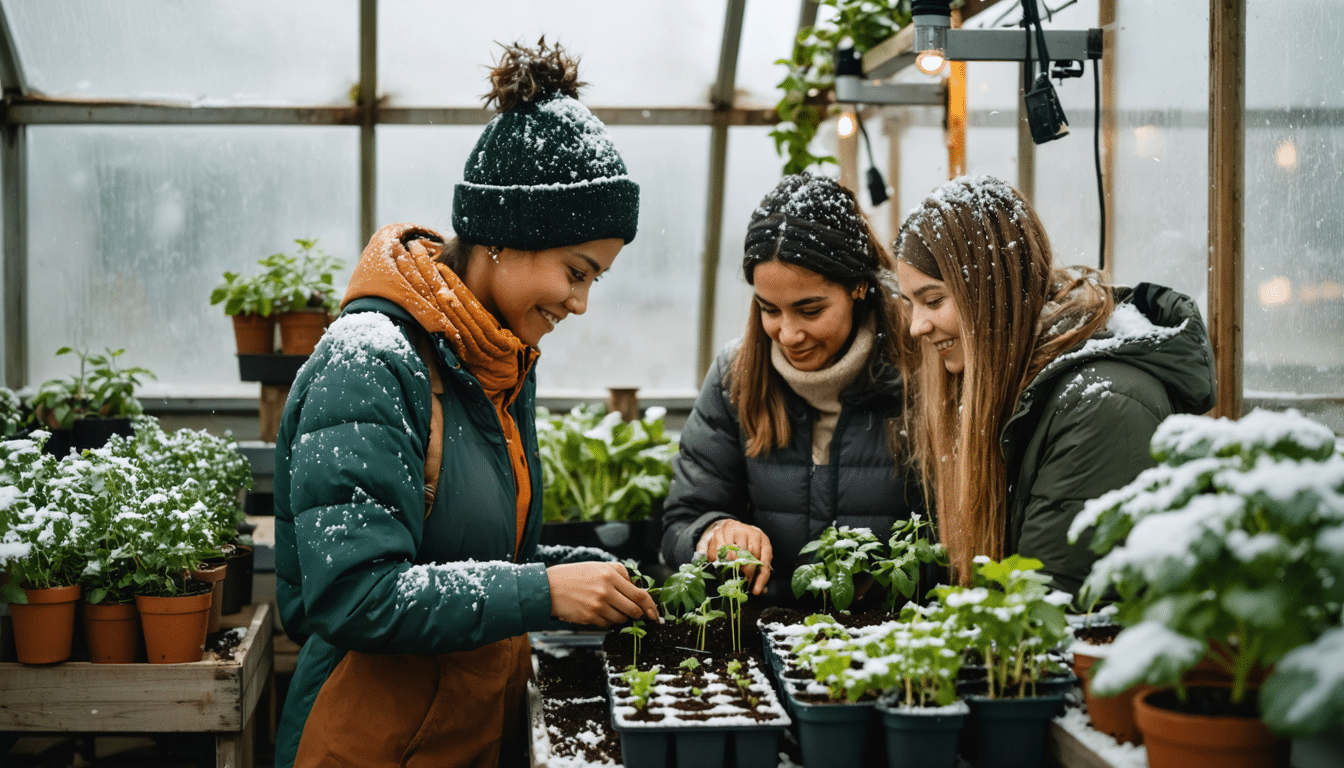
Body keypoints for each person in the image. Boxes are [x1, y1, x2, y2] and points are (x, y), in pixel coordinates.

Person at [272, 39, 659, 768]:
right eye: (575, 271)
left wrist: (580, 573)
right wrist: (544, 590)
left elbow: (463, 555)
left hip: (466, 733)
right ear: (506, 239)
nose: (579, 304)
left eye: (595, 281)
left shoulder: (495, 359)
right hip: (370, 743)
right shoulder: (372, 363)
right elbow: (354, 593)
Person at [893, 174, 1216, 597]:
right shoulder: (1020, 386)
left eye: (933, 301)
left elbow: (1053, 614)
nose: (917, 326)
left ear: (993, 291)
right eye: (910, 303)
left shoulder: (1101, 406)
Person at [661, 173, 925, 603]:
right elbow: (680, 521)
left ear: (858, 286)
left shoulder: (920, 376)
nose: (787, 333)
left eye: (810, 310)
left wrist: (885, 577)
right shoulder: (735, 377)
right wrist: (713, 533)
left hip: (893, 650)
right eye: (769, 309)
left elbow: (960, 536)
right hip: (765, 639)